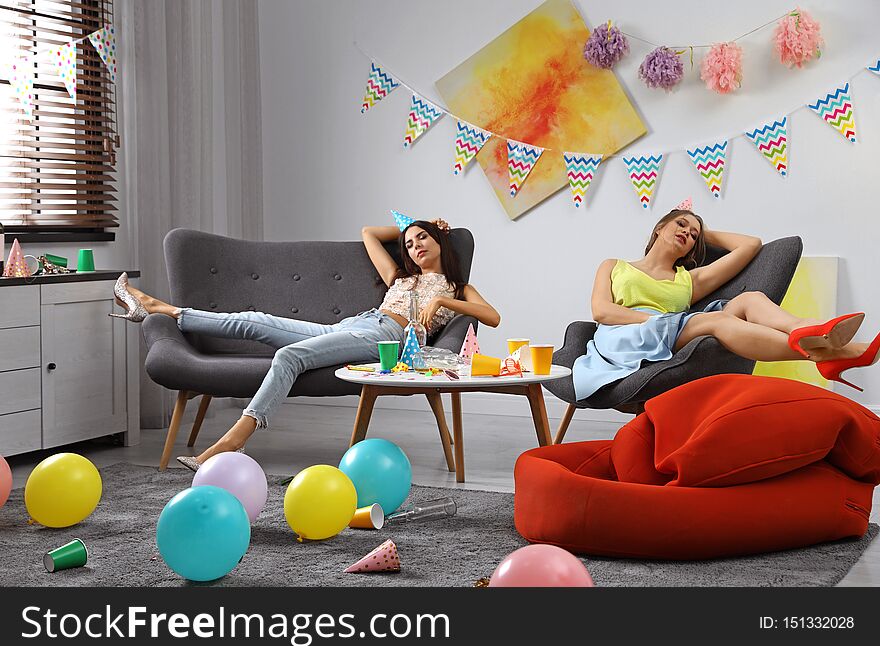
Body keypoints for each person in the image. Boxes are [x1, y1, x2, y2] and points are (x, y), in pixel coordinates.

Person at [111, 218, 500, 471]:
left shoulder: (457, 286)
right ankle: (158, 308)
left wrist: (443, 301)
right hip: (356, 323)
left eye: (423, 238)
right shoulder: (399, 277)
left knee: (289, 355)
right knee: (256, 323)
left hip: (385, 337)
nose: (415, 246)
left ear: (439, 241)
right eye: (410, 242)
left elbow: (492, 316)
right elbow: (368, 233)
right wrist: (416, 223)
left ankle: (235, 439)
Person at [572, 201, 880, 401]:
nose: (687, 234)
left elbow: (751, 245)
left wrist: (705, 232)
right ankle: (831, 355)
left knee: (750, 299)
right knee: (716, 320)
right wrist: (653, 320)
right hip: (625, 337)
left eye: (693, 235)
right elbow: (601, 310)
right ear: (659, 227)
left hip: (670, 335)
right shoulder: (614, 265)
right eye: (680, 225)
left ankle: (809, 330)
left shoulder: (689, 280)